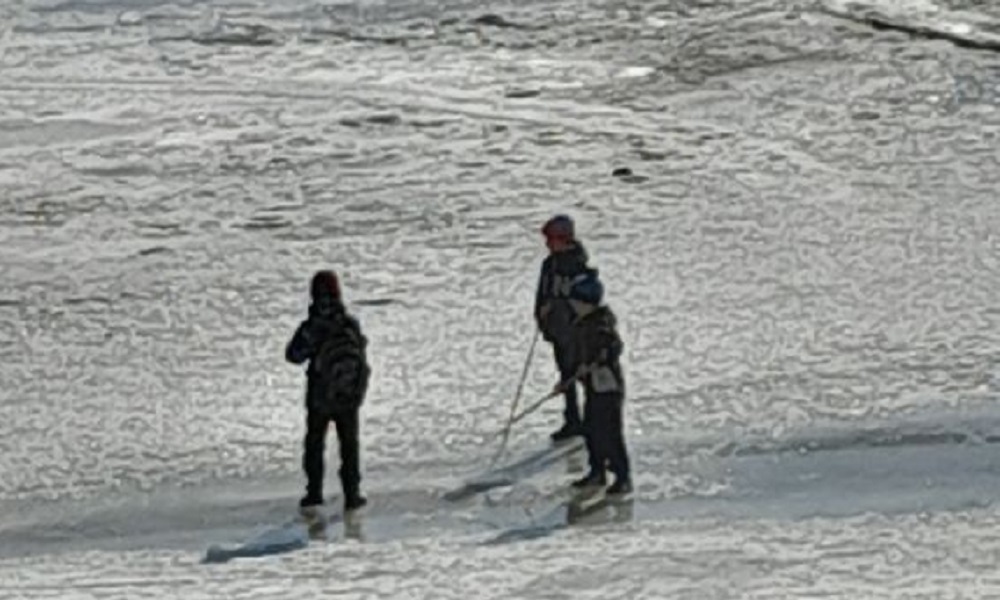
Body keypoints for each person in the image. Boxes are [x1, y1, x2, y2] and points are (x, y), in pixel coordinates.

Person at [286, 270, 371, 512]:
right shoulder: (349, 324)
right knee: (349, 445)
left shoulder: (313, 326)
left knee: (315, 443)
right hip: (348, 396)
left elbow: (293, 356)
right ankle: (352, 495)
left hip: (319, 396)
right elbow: (360, 355)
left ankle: (314, 493)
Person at [554, 269, 633, 496]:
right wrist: (571, 376)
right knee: (591, 429)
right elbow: (577, 357)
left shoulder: (601, 323)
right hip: (592, 387)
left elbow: (613, 347)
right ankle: (597, 470)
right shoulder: (581, 324)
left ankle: (622, 475)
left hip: (608, 388)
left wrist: (598, 360)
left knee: (610, 432)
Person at [535, 214, 592, 442]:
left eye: (552, 239)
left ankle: (590, 421)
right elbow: (542, 293)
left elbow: (585, 298)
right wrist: (542, 318)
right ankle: (572, 419)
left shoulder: (576, 264)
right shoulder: (549, 265)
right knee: (565, 374)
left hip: (576, 331)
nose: (548, 244)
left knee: (581, 375)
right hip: (558, 330)